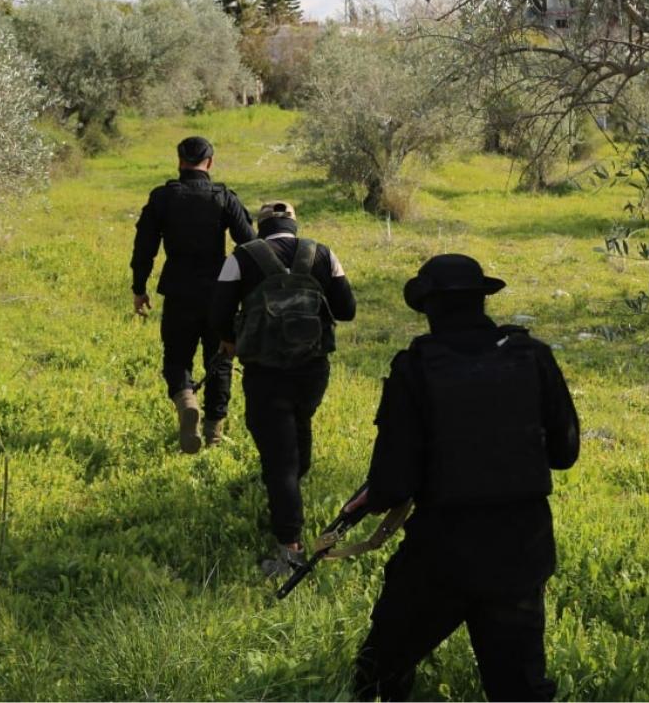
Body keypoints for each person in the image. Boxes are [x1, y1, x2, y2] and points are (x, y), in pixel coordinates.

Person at [349, 254, 580, 702]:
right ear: (481, 302)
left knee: (379, 675)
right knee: (521, 690)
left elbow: (395, 481)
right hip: (521, 546)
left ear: (429, 307)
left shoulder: (414, 368)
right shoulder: (532, 357)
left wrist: (374, 497)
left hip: (443, 552)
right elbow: (564, 454)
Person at [209, 201, 357, 575]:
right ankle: (288, 493)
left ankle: (289, 549)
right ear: (293, 224)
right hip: (312, 369)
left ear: (261, 227)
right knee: (297, 428)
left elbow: (218, 313)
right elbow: (346, 310)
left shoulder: (241, 257)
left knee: (279, 460)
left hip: (265, 370)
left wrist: (229, 340)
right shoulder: (322, 253)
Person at [130, 136, 256, 454]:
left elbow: (144, 246)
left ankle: (186, 399)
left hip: (178, 291)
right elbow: (250, 243)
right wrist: (248, 286)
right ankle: (213, 433)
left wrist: (139, 288)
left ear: (179, 161)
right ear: (210, 163)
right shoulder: (223, 197)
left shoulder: (162, 198)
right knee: (220, 361)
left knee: (176, 359)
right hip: (219, 293)